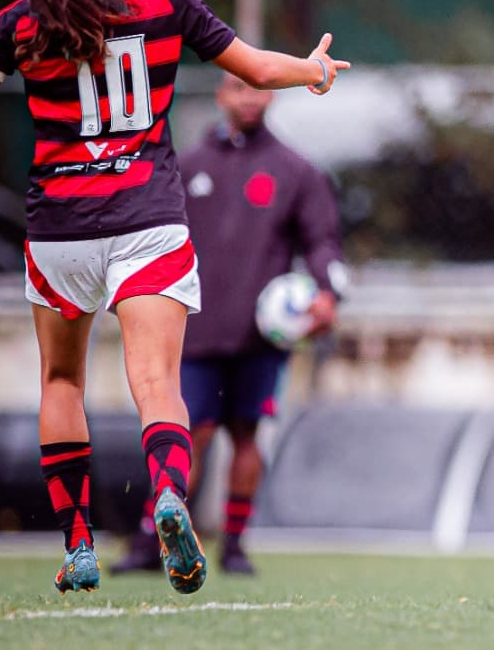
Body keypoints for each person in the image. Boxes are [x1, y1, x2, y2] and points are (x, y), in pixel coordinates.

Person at [0, 0, 348, 597]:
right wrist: (313, 70)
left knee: (62, 378)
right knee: (158, 381)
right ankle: (169, 493)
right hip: (147, 222)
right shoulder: (162, 0)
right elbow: (257, 66)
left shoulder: (16, 23)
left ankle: (77, 545)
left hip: (59, 230)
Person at [114, 72, 346, 576]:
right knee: (188, 433)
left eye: (257, 89)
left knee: (247, 436)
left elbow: (322, 240)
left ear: (271, 95)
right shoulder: (186, 166)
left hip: (260, 336)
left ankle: (235, 544)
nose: (249, 98)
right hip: (195, 330)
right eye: (238, 88)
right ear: (222, 95)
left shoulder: (296, 171)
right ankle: (151, 540)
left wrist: (328, 293)